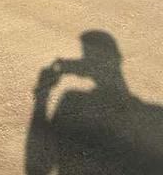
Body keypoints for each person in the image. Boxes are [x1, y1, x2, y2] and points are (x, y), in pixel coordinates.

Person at [25, 31, 163, 174]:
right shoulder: (156, 114)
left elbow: (37, 167)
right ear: (118, 58)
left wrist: (42, 96)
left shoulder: (71, 98)